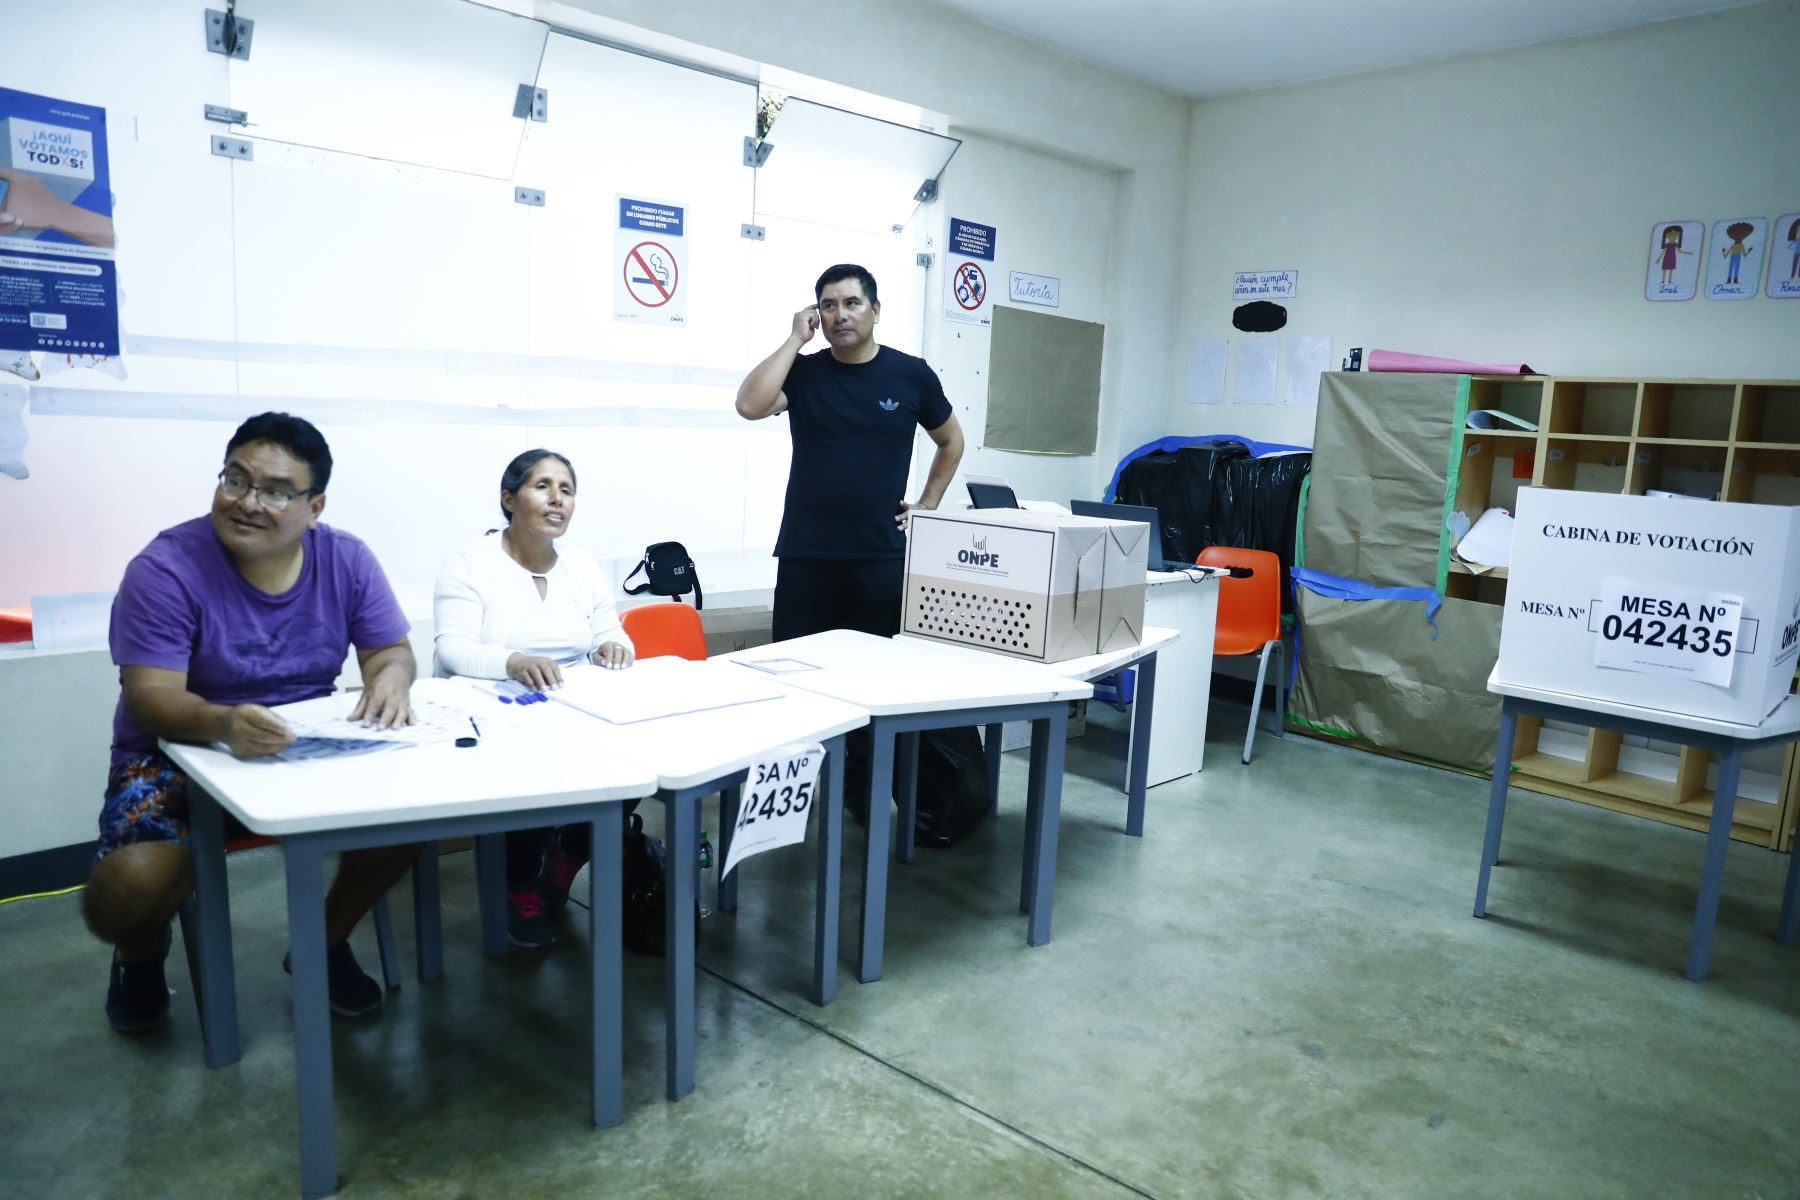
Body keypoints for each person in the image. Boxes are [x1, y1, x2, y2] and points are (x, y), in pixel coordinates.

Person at [84, 412, 420, 1034]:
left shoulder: (346, 558)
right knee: (132, 885)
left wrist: (391, 677)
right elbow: (150, 698)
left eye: (274, 490)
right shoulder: (164, 569)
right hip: (177, 750)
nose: (248, 502)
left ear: (314, 505)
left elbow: (391, 651)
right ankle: (138, 950)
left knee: (415, 812)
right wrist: (224, 722)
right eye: (235, 480)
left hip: (302, 747)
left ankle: (322, 941)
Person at [433, 449, 636, 949]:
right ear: (509, 498)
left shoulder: (582, 567)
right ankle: (518, 884)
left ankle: (566, 859)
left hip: (568, 707)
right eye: (542, 486)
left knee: (636, 767)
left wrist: (614, 647)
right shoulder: (469, 563)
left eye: (566, 490)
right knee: (529, 774)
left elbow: (615, 634)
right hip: (490, 710)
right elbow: (453, 648)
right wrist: (513, 662)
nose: (557, 499)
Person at [734, 263, 965, 642]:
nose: (840, 314)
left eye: (852, 303)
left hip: (879, 557)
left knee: (874, 676)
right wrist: (794, 341)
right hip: (805, 555)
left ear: (876, 310)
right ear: (816, 316)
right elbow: (749, 405)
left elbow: (951, 440)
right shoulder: (804, 372)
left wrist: (928, 504)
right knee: (797, 671)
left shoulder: (911, 375)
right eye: (828, 306)